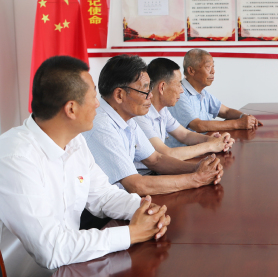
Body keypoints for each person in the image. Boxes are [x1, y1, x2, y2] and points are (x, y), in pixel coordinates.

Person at [0, 56, 171, 277]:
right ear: (71, 109)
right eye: (93, 97)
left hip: (67, 270)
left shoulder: (74, 142)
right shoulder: (14, 158)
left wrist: (145, 210)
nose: (98, 104)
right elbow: (52, 249)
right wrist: (132, 233)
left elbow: (103, 195)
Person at [83, 54, 223, 195]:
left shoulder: (128, 119)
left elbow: (156, 159)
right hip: (111, 205)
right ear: (120, 95)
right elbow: (135, 185)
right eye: (144, 90)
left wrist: (197, 168)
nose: (150, 95)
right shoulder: (102, 126)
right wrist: (196, 178)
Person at [134, 58, 234, 171]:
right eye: (178, 84)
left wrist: (212, 140)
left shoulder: (163, 110)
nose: (181, 90)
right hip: (144, 174)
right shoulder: (140, 115)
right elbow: (166, 154)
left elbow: (185, 135)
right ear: (162, 87)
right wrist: (210, 146)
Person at [167, 49, 263, 136]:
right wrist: (239, 123)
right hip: (187, 149)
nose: (213, 71)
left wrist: (244, 117)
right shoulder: (179, 94)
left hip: (205, 144)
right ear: (191, 70)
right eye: (208, 67)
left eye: (213, 66)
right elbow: (198, 125)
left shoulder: (203, 93)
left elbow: (226, 111)